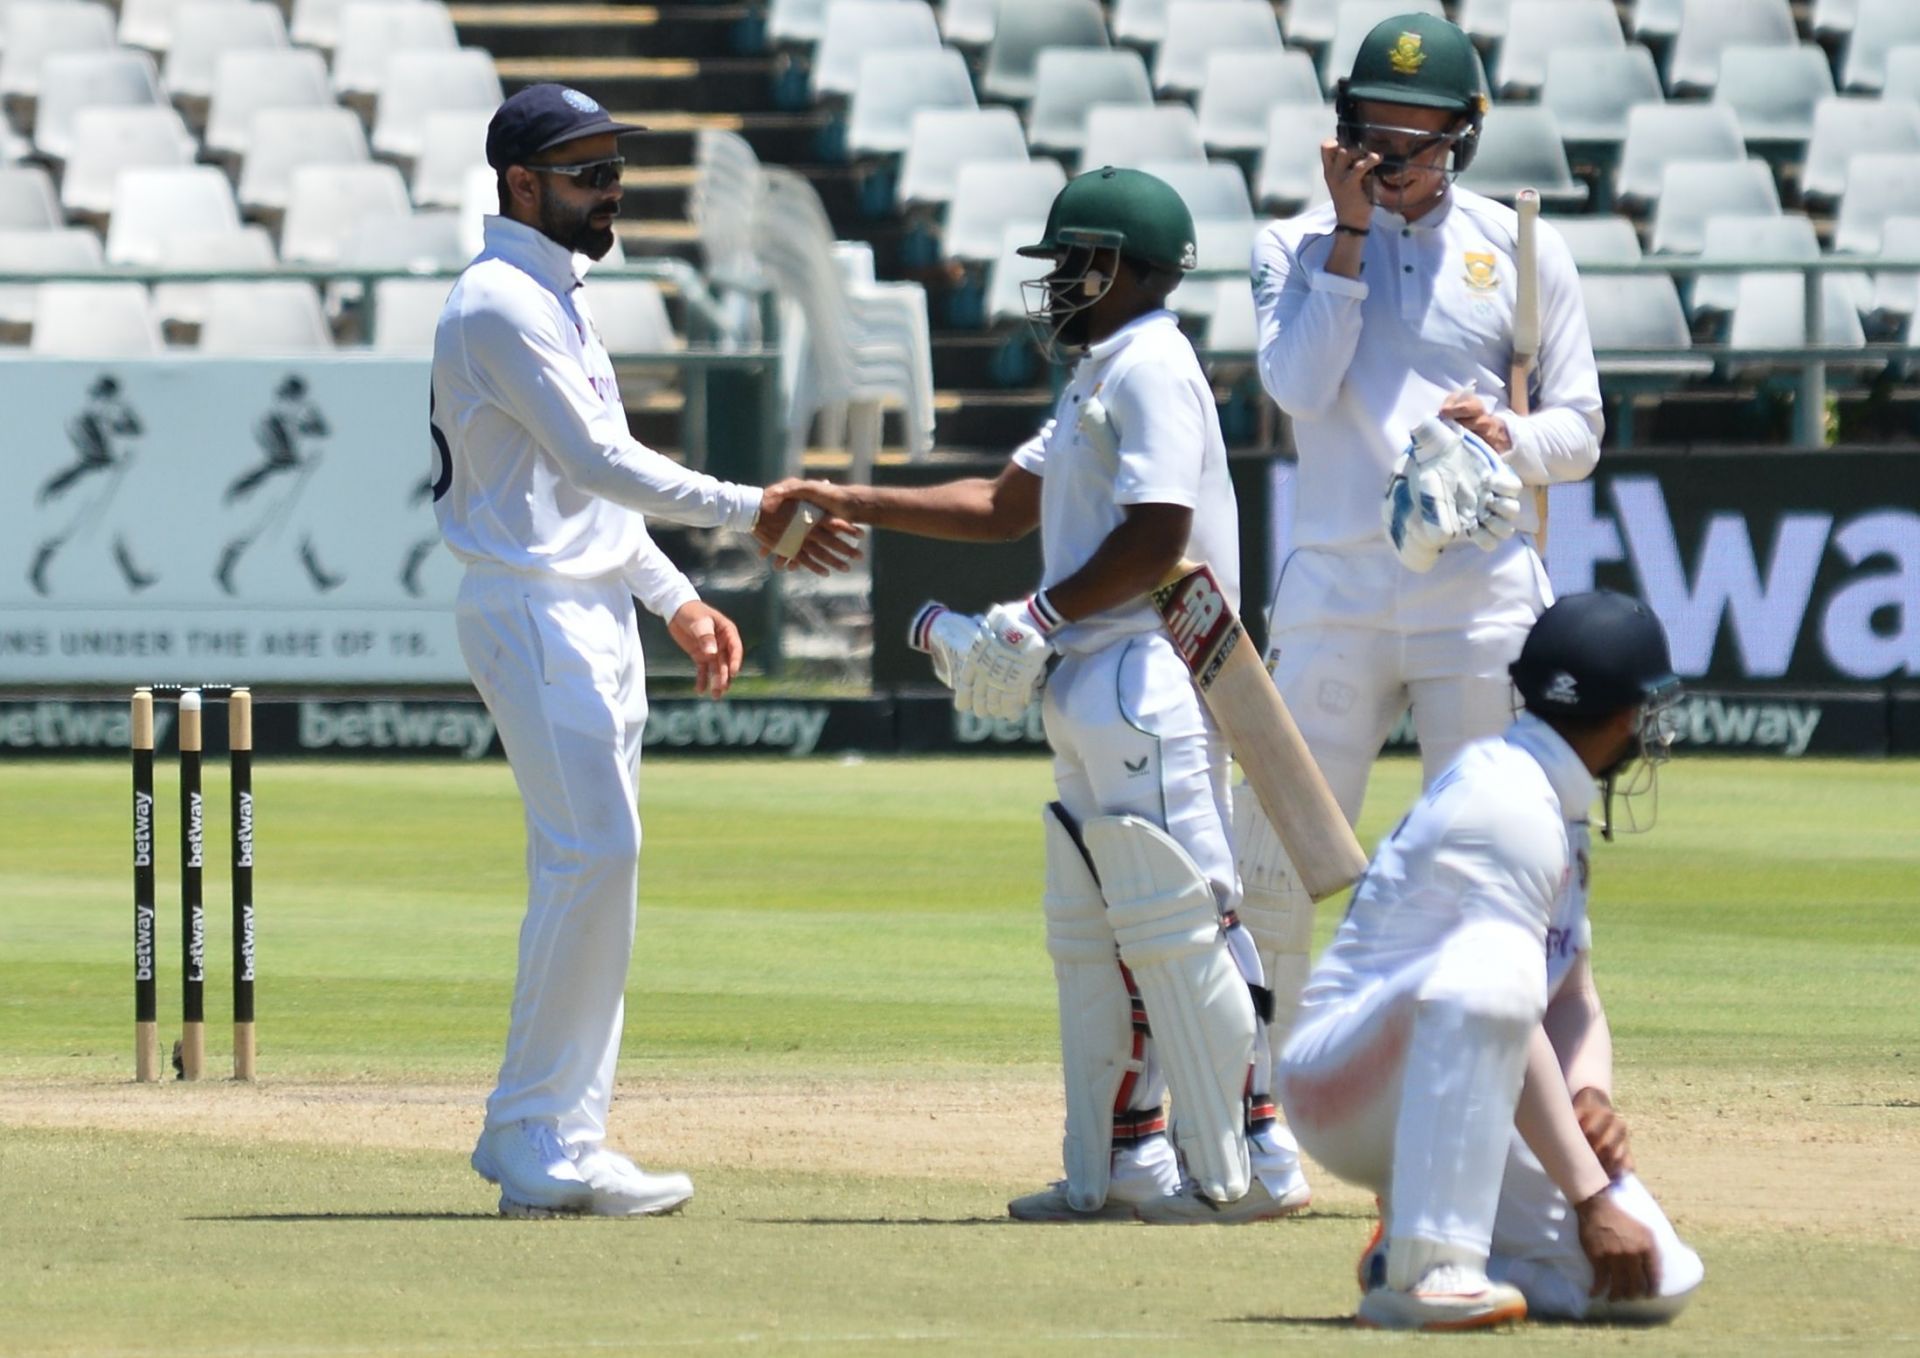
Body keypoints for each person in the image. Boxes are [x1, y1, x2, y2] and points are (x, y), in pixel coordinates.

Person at [766, 168, 1309, 1224]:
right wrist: (847, 496)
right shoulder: (1101, 373)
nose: (1059, 281)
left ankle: (1252, 1154)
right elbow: (998, 503)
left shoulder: (1154, 366)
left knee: (1183, 915)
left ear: (1131, 268)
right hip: (1094, 673)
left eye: (1077, 261)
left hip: (1151, 664)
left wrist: (1043, 615)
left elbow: (1159, 534)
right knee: (1096, 926)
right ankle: (1124, 1158)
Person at [431, 84, 856, 1218]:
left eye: (616, 168)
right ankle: (531, 1132)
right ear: (522, 184)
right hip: (529, 607)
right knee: (593, 855)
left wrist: (670, 599)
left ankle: (561, 1134)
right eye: (588, 172)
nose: (611, 189)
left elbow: (587, 486)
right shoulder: (496, 306)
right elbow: (605, 459)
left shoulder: (556, 297)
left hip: (589, 606)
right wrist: (754, 502)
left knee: (599, 868)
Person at [1235, 10, 1606, 1154]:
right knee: (1278, 863)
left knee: (1491, 866)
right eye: (1372, 139)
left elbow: (1582, 429)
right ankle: (1265, 1114)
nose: (1393, 165)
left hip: (1482, 594)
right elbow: (1300, 388)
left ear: (1464, 138)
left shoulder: (1522, 248)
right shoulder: (1291, 246)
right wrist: (1347, 243)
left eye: (1419, 143)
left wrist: (1506, 436)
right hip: (1336, 592)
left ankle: (1500, 1117)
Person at [1277, 591, 1705, 1330]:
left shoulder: (1547, 795)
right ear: (1621, 714)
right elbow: (1498, 987)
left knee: (1655, 1278)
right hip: (1341, 1083)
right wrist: (1590, 1197)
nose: (1649, 731)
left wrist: (1589, 1097)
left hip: (1450, 1064)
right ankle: (1425, 1276)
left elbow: (1570, 995)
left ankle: (1425, 1241)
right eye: (1646, 711)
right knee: (1493, 970)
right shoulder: (1505, 804)